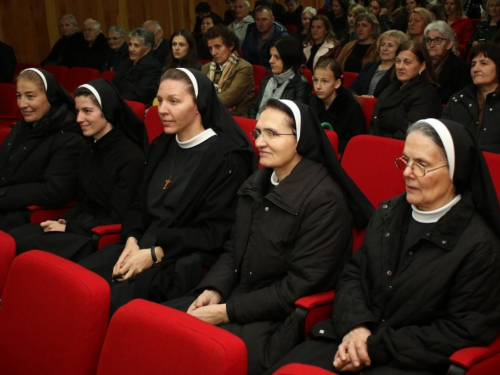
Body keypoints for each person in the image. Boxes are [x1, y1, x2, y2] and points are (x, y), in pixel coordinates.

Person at [267, 118, 500, 375]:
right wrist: (356, 328)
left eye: (421, 165)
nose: (407, 172)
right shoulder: (389, 213)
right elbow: (353, 274)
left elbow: (462, 330)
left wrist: (373, 346)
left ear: (457, 171)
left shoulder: (480, 246)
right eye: (405, 160)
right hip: (350, 338)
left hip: (411, 360)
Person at [167, 98, 374, 375]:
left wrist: (226, 312)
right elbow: (233, 248)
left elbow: (298, 287)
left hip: (275, 322)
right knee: (158, 329)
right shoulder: (257, 183)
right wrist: (214, 289)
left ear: (300, 139)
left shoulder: (325, 200)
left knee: (192, 356)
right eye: (258, 133)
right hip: (235, 298)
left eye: (272, 134)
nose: (260, 142)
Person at [79, 68, 256, 315]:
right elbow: (138, 205)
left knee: (109, 306)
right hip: (137, 246)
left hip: (178, 259)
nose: (162, 109)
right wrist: (131, 239)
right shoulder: (162, 144)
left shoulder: (226, 158)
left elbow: (215, 233)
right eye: (159, 100)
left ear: (199, 105)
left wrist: (154, 254)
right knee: (77, 284)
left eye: (174, 101)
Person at [10, 79, 147, 261]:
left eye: (87, 111)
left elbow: (117, 218)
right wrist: (61, 220)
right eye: (77, 111)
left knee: (27, 250)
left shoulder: (131, 157)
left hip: (98, 238)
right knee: (13, 238)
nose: (78, 119)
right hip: (79, 227)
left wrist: (68, 227)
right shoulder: (88, 148)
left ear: (107, 112)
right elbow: (83, 202)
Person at [0, 68, 84, 231]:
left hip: (26, 216)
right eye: (19, 96)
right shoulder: (21, 126)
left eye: (30, 96)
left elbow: (56, 190)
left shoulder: (70, 136)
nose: (22, 104)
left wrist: (3, 195)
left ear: (50, 97)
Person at [369, 40, 442, 139]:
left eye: (407, 62)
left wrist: (381, 143)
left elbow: (409, 134)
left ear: (422, 66)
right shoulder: (392, 88)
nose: (400, 67)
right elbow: (374, 122)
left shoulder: (426, 95)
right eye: (398, 61)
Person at [442, 43, 500, 153]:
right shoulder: (458, 100)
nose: (476, 69)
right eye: (473, 64)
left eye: (484, 63)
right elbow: (443, 138)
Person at [310, 59, 366, 152]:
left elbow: (356, 142)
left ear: (337, 83)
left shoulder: (351, 106)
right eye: (315, 80)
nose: (318, 86)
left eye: (325, 81)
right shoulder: (312, 101)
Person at [249, 36, 311, 119]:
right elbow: (254, 107)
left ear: (289, 58)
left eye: (277, 57)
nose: (271, 61)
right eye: (271, 56)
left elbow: (295, 117)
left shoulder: (301, 85)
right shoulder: (266, 80)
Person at [202, 25, 254, 117]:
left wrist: (203, 103)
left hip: (235, 121)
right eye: (210, 48)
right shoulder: (206, 68)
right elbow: (197, 95)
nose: (213, 52)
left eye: (218, 47)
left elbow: (227, 99)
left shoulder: (244, 68)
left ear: (231, 45)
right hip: (209, 118)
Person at [350, 30, 408, 98]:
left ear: (400, 49)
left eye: (390, 45)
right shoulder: (369, 66)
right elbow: (352, 89)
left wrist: (372, 100)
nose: (385, 48)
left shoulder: (400, 71)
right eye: (383, 44)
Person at [424, 21, 472, 103]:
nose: (431, 45)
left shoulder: (462, 69)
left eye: (438, 40)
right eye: (429, 40)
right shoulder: (420, 64)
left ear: (449, 44)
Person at [112, 27, 162, 105]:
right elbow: (114, 84)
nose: (131, 49)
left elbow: (141, 94)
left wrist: (118, 99)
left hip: (135, 105)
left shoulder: (152, 66)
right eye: (130, 44)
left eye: (136, 46)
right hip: (119, 102)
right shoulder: (125, 62)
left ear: (147, 49)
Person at [241, 5, 289, 70]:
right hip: (253, 75)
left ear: (272, 19)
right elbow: (245, 60)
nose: (260, 23)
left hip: (274, 75)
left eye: (264, 19)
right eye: (257, 20)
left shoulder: (282, 37)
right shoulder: (251, 35)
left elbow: (284, 64)